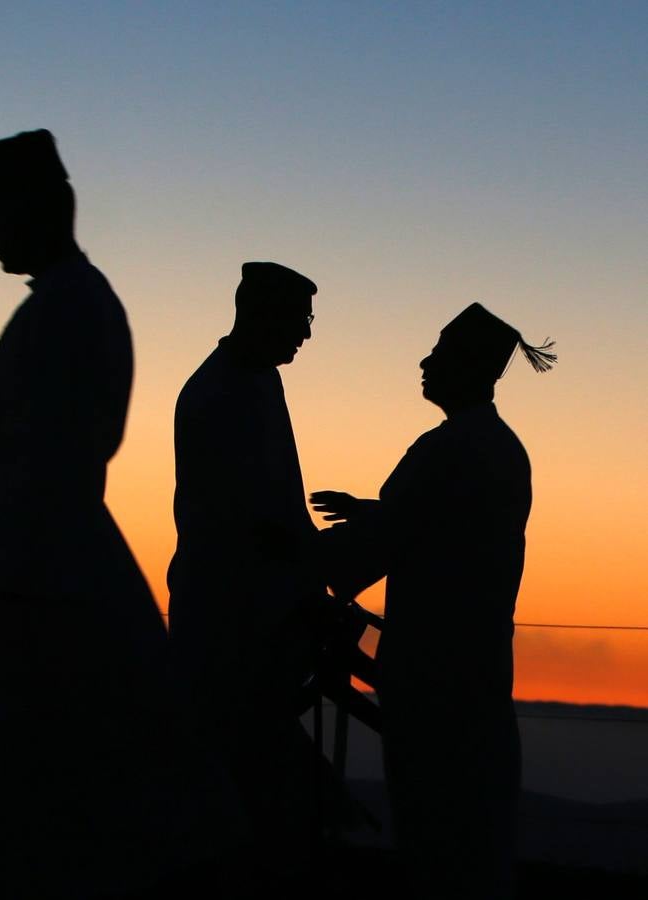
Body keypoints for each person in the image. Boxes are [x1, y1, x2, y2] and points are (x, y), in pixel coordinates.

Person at [0, 129, 180, 898]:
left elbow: (51, 450)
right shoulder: (68, 304)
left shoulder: (69, 309)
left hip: (39, 587)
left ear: (41, 209)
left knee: (40, 797)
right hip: (38, 572)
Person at [312, 303, 555, 899]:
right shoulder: (499, 447)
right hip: (476, 668)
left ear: (472, 368)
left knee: (434, 833)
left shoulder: (444, 449)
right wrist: (378, 513)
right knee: (475, 831)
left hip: (432, 675)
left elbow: (392, 539)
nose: (425, 361)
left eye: (440, 352)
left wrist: (290, 553)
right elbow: (443, 526)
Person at [165, 261, 328, 875]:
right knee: (234, 776)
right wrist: (309, 584)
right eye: (302, 320)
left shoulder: (254, 380)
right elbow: (254, 518)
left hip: (256, 611)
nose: (307, 335)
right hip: (231, 618)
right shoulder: (221, 392)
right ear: (263, 315)